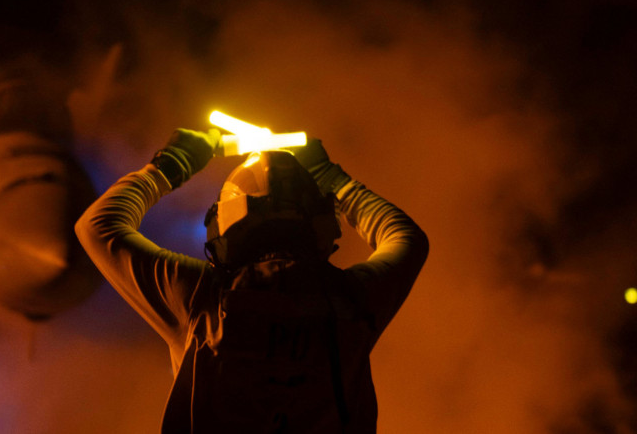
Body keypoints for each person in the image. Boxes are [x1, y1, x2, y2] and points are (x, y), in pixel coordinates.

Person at [76, 128, 428, 433]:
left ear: (222, 225)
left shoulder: (201, 298)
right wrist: (332, 177)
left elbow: (97, 226)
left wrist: (172, 163)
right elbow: (407, 239)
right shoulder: (353, 300)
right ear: (322, 220)